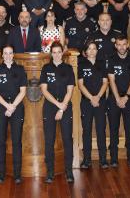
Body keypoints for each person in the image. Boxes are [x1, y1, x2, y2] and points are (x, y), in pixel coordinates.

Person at [0, 45, 27, 184]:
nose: (7, 55)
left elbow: (23, 91)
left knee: (17, 142)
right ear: (2, 55)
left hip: (17, 107)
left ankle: (17, 174)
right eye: (5, 53)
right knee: (1, 142)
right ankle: (1, 173)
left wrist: (13, 106)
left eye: (10, 53)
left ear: (13, 55)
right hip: (0, 108)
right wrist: (7, 106)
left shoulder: (20, 69)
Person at [39, 42, 75, 183]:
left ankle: (69, 171)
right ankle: (50, 172)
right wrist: (57, 105)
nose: (57, 54)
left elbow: (70, 90)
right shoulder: (46, 68)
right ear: (51, 53)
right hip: (50, 107)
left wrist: (62, 107)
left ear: (62, 52)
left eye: (59, 51)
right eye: (54, 52)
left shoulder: (68, 68)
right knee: (49, 140)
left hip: (65, 107)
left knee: (67, 140)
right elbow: (44, 90)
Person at [106, 35, 130, 166]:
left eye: (124, 44)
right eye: (119, 44)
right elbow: (111, 80)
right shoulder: (111, 59)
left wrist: (126, 97)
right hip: (114, 98)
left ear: (128, 45)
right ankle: (114, 158)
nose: (121, 47)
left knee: (129, 129)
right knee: (113, 129)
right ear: (116, 45)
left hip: (129, 99)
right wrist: (118, 98)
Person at [78, 41, 108, 168]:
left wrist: (98, 97)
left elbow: (105, 82)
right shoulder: (81, 64)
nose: (91, 51)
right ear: (86, 51)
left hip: (100, 101)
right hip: (86, 101)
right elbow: (80, 84)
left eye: (94, 48)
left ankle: (103, 159)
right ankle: (87, 159)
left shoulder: (102, 64)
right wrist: (91, 98)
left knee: (101, 130)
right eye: (89, 49)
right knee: (87, 131)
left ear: (97, 50)